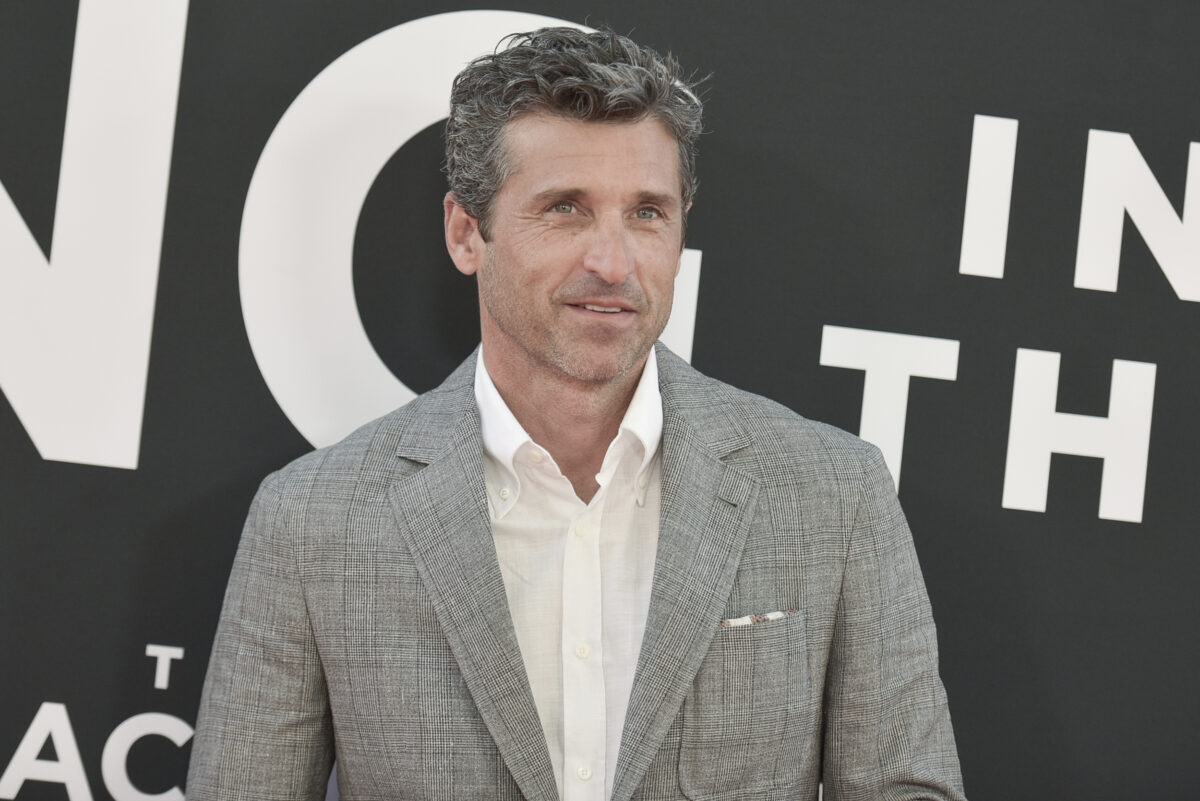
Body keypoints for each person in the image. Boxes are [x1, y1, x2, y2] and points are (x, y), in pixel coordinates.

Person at [187, 27, 966, 801]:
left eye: (648, 213)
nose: (614, 261)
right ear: (467, 233)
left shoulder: (833, 495)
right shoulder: (312, 521)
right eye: (566, 209)